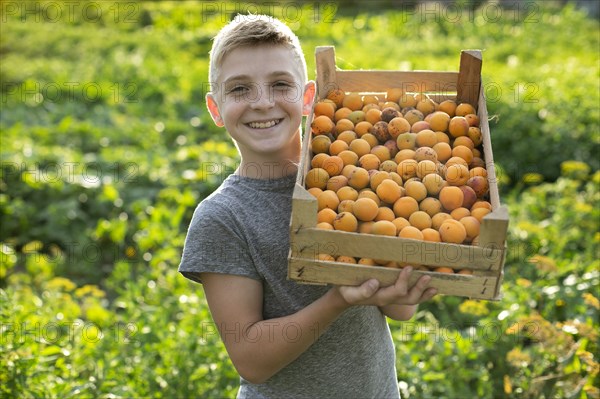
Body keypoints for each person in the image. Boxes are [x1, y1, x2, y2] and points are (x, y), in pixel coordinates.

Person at [178, 14, 437, 398]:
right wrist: (337, 300)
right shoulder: (223, 218)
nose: (262, 102)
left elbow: (399, 311)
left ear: (308, 96)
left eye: (280, 84)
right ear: (215, 109)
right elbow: (250, 358)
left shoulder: (355, 177)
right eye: (239, 89)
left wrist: (400, 286)